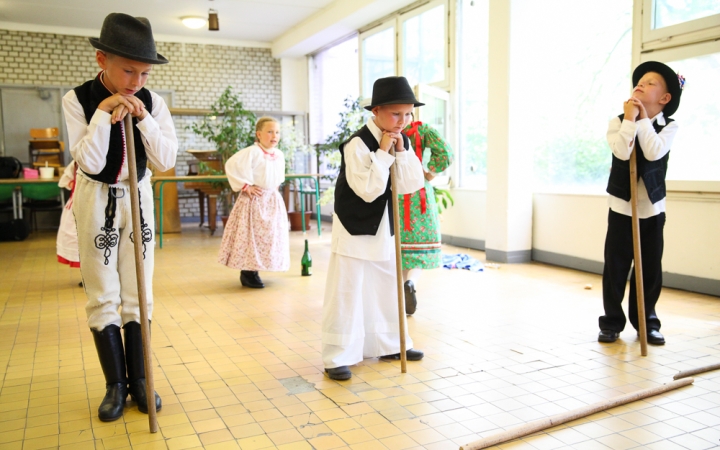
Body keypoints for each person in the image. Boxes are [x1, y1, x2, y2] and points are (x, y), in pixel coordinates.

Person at [62, 13, 178, 421]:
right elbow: (90, 162)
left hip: (139, 195)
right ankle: (116, 385)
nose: (136, 81)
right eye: (128, 70)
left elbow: (165, 159)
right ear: (101, 60)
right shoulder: (76, 100)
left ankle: (142, 380)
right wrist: (104, 112)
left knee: (139, 289)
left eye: (144, 72)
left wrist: (142, 117)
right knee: (102, 291)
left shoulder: (153, 102)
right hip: (97, 198)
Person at [322, 76, 426, 381]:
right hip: (354, 226)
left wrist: (402, 152)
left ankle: (393, 344)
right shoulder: (357, 144)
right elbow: (367, 190)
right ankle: (337, 356)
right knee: (348, 289)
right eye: (396, 114)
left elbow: (410, 184)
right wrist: (382, 153)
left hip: (383, 228)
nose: (403, 121)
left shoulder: (400, 138)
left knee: (385, 288)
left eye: (408, 114)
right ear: (377, 111)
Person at [598, 61, 683, 346]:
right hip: (622, 207)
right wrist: (630, 120)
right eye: (640, 80)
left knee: (649, 269)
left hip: (652, 210)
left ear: (665, 98)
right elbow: (623, 152)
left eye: (650, 82)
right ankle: (611, 323)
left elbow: (653, 149)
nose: (641, 83)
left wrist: (644, 120)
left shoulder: (669, 127)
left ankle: (647, 322)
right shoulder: (618, 122)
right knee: (615, 267)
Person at [218, 116, 290, 287]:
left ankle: (260, 266)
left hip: (271, 199)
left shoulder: (279, 154)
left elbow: (278, 176)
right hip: (254, 200)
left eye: (277, 132)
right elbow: (231, 165)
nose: (274, 135)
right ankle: (248, 272)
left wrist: (273, 192)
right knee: (252, 237)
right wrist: (246, 186)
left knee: (269, 236)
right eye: (270, 131)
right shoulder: (252, 152)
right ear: (259, 134)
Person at [399, 120, 453, 314]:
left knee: (402, 248)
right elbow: (446, 153)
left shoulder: (389, 131)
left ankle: (405, 288)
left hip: (396, 192)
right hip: (419, 192)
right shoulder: (423, 130)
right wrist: (429, 174)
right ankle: (411, 282)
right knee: (418, 250)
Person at [56, 160, 82, 286]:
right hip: (78, 204)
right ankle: (88, 276)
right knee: (78, 240)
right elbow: (65, 181)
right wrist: (75, 184)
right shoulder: (76, 162)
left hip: (96, 203)